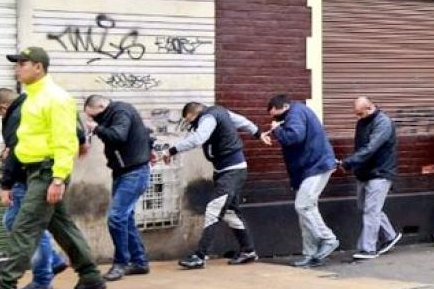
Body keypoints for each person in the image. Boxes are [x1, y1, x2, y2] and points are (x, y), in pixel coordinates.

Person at [0, 48, 105, 289]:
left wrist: (57, 179)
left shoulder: (56, 99)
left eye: (22, 64)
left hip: (47, 173)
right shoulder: (31, 99)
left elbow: (66, 141)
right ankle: (90, 276)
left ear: (39, 68)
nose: (17, 69)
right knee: (62, 227)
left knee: (23, 229)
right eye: (16, 65)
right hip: (34, 172)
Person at [0, 87, 70, 289]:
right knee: (15, 223)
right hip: (34, 177)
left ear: (3, 107)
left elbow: (17, 151)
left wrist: (6, 184)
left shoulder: (21, 113)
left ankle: (43, 277)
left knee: (30, 227)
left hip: (28, 178)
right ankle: (55, 260)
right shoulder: (31, 108)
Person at [165, 101, 263, 269]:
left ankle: (199, 256)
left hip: (232, 171)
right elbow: (243, 121)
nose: (190, 125)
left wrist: (172, 150)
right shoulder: (222, 112)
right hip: (225, 170)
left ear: (193, 114)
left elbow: (199, 138)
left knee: (213, 209)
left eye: (189, 121)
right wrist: (258, 133)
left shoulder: (208, 117)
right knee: (230, 212)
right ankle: (248, 251)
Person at [258, 94, 340, 267]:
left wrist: (277, 129)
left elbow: (295, 137)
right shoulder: (296, 112)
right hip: (310, 167)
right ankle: (310, 254)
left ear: (284, 107)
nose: (273, 118)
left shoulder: (295, 113)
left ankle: (328, 239)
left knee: (303, 206)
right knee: (307, 210)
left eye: (275, 115)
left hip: (317, 166)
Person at [83, 95, 153, 280]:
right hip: (123, 171)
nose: (93, 120)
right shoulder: (115, 113)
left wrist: (97, 128)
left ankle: (121, 263)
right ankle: (139, 261)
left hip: (134, 172)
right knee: (125, 218)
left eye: (94, 116)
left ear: (101, 106)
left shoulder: (120, 111)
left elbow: (119, 136)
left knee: (116, 217)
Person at [339, 97, 403, 261]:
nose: (358, 117)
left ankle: (368, 249)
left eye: (360, 113)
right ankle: (389, 236)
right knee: (366, 207)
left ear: (369, 108)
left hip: (380, 172)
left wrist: (349, 162)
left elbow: (371, 148)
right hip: (365, 172)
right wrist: (354, 165)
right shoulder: (362, 122)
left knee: (371, 210)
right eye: (356, 114)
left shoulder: (383, 123)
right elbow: (361, 147)